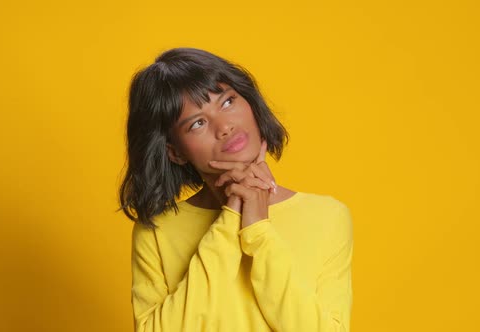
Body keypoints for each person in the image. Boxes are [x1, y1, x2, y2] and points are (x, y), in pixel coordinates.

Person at [118, 47, 353, 331]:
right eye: (198, 123)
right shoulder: (157, 230)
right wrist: (232, 217)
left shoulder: (326, 216)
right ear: (175, 152)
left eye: (228, 102)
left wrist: (258, 233)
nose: (224, 127)